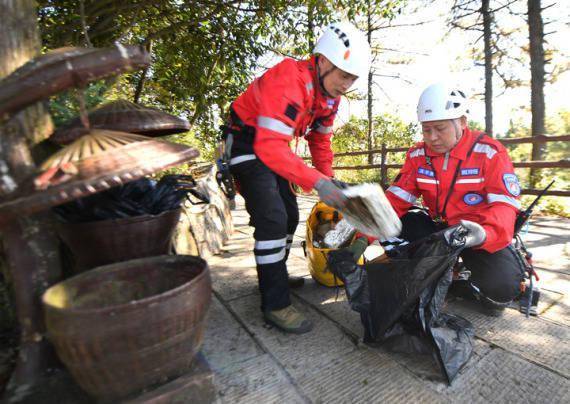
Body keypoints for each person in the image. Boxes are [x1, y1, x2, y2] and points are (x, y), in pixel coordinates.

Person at [223, 22, 371, 333]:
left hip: (274, 146)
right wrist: (318, 182)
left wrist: (329, 180)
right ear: (323, 61)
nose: (347, 84)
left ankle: (273, 272)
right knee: (273, 217)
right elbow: (268, 146)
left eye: (353, 79)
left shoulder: (330, 98)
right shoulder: (290, 79)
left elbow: (320, 141)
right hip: (247, 143)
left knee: (289, 214)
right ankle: (274, 303)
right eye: (344, 75)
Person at [350, 82, 526, 315]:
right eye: (426, 129)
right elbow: (395, 200)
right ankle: (441, 272)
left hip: (478, 234)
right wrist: (364, 234)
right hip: (439, 231)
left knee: (503, 288)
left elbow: (504, 205)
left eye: (440, 128)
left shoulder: (490, 153)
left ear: (462, 122)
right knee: (403, 225)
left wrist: (484, 235)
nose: (432, 138)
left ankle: (461, 278)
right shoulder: (417, 155)